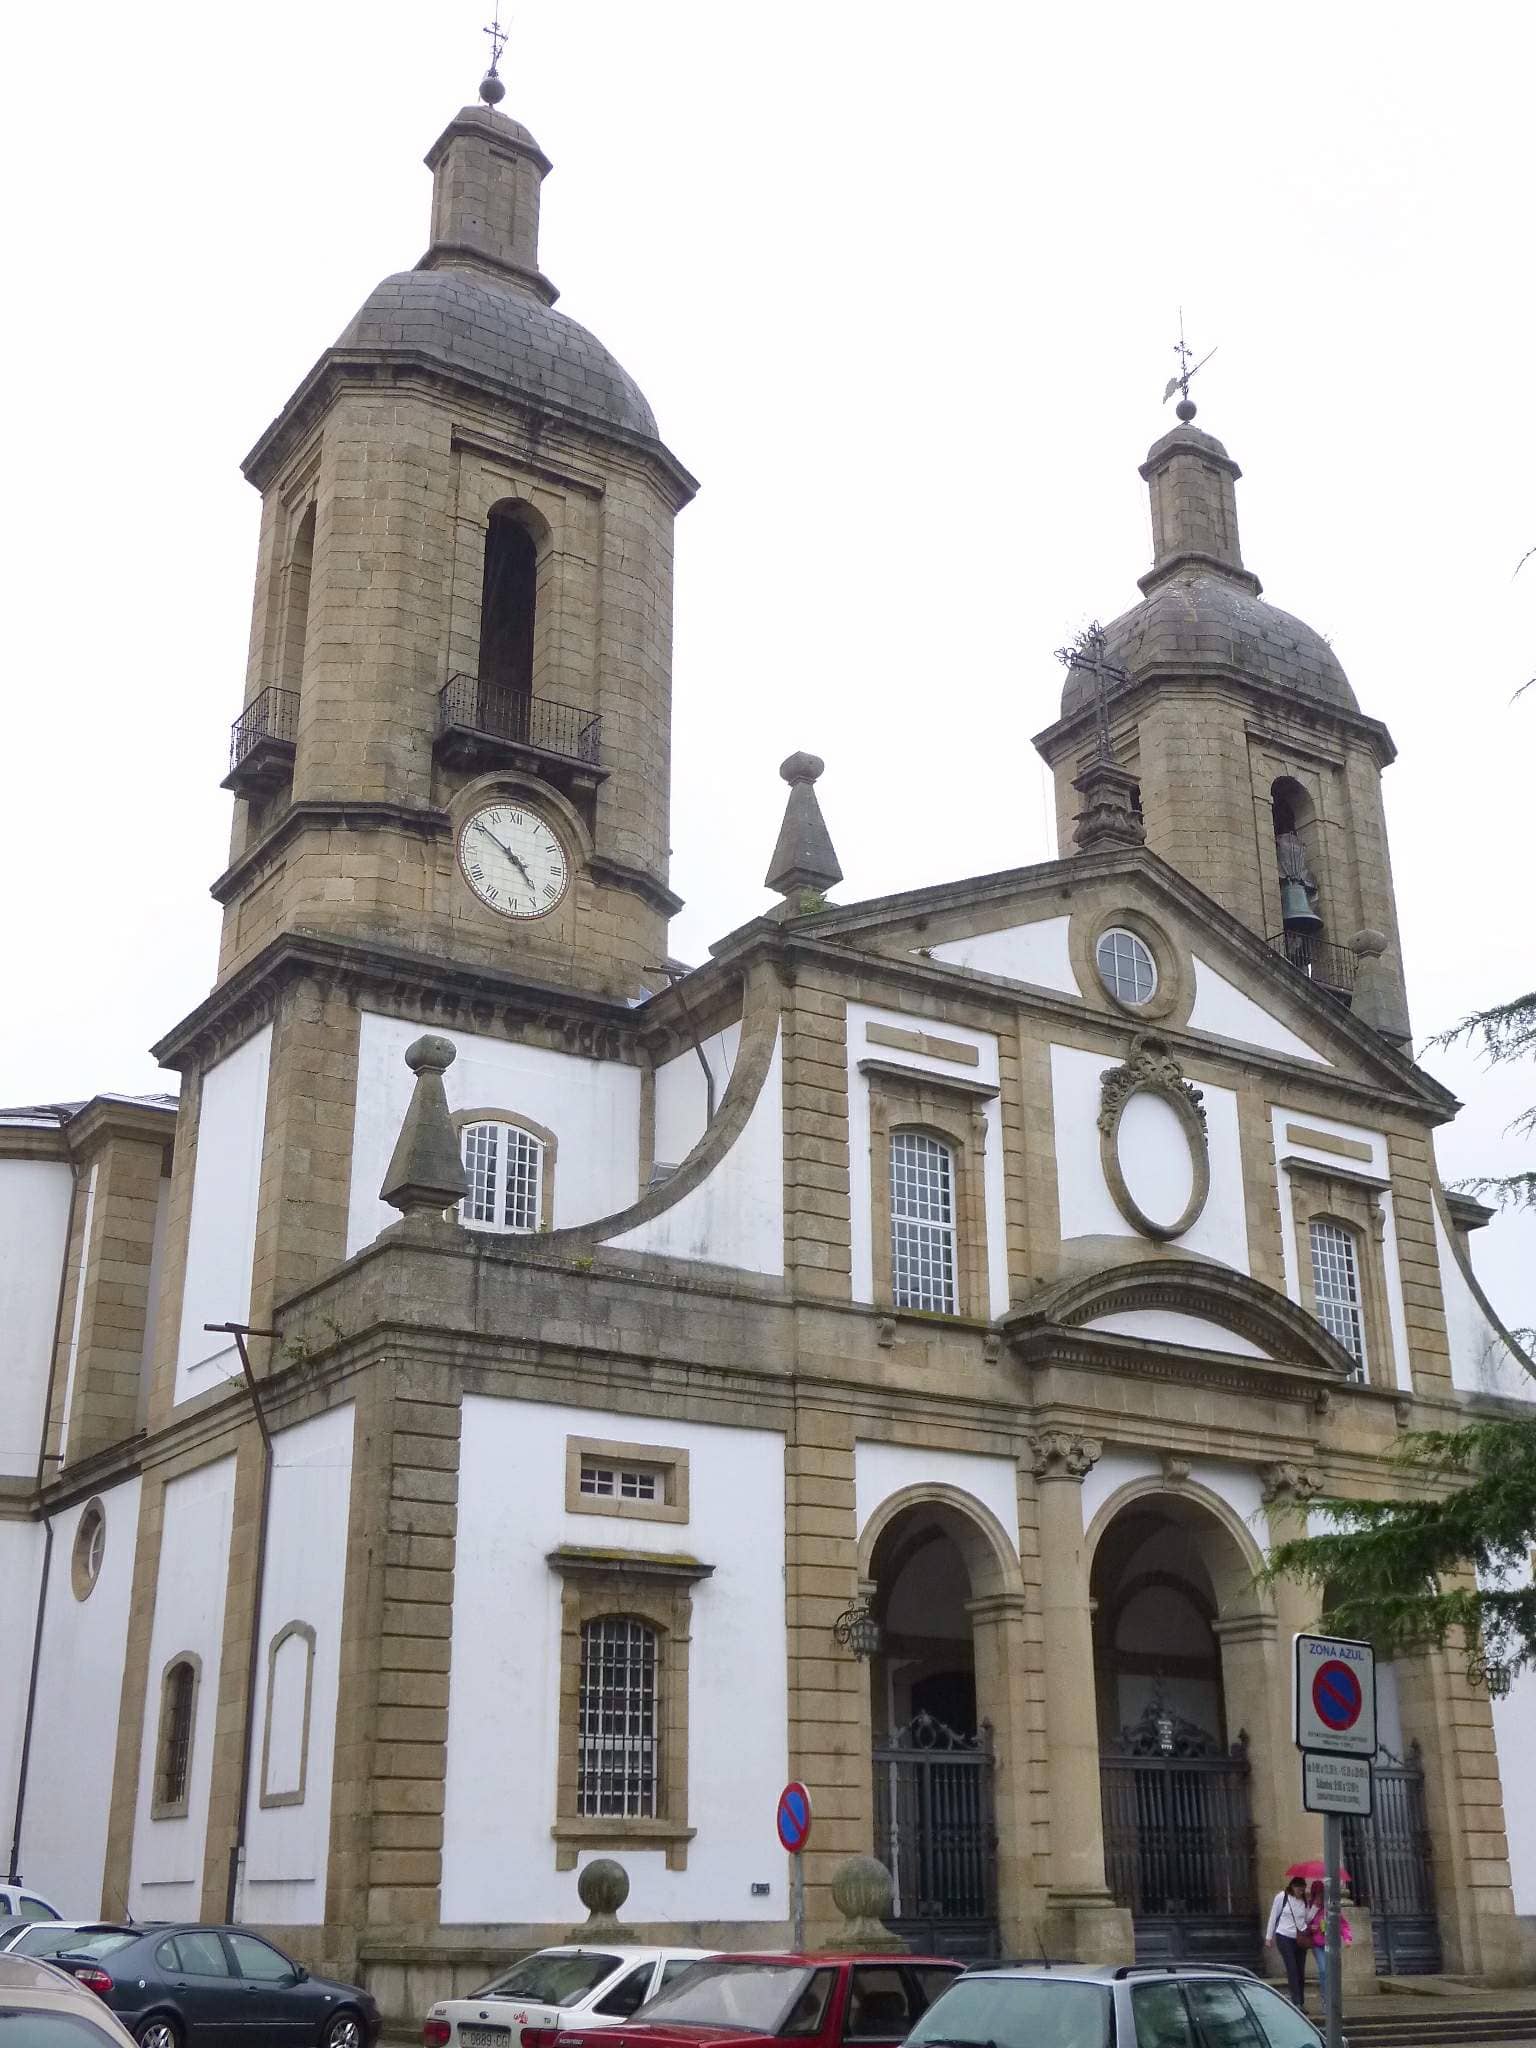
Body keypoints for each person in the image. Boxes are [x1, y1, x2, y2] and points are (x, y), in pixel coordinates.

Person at [1305, 1879, 1353, 2004]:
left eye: (1322, 1894)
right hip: (1317, 1944)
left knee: (1332, 1971)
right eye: (1318, 1894)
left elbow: (1342, 1924)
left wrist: (1347, 1938)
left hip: (1331, 1943)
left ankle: (1332, 1999)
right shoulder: (1311, 1906)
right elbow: (1305, 1922)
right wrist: (1311, 1927)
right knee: (1323, 1969)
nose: (1320, 1897)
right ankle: (1325, 1999)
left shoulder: (1331, 1906)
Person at [1266, 1875, 1311, 2005]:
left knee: (1300, 1971)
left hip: (1300, 1938)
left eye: (1303, 1889)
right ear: (1293, 1887)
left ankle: (1301, 2002)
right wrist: (1269, 1937)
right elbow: (1273, 1916)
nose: (1301, 1892)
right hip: (1284, 1936)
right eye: (1299, 1889)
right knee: (1292, 1969)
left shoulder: (1304, 1900)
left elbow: (1306, 1918)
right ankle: (1296, 2002)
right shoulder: (1282, 1897)